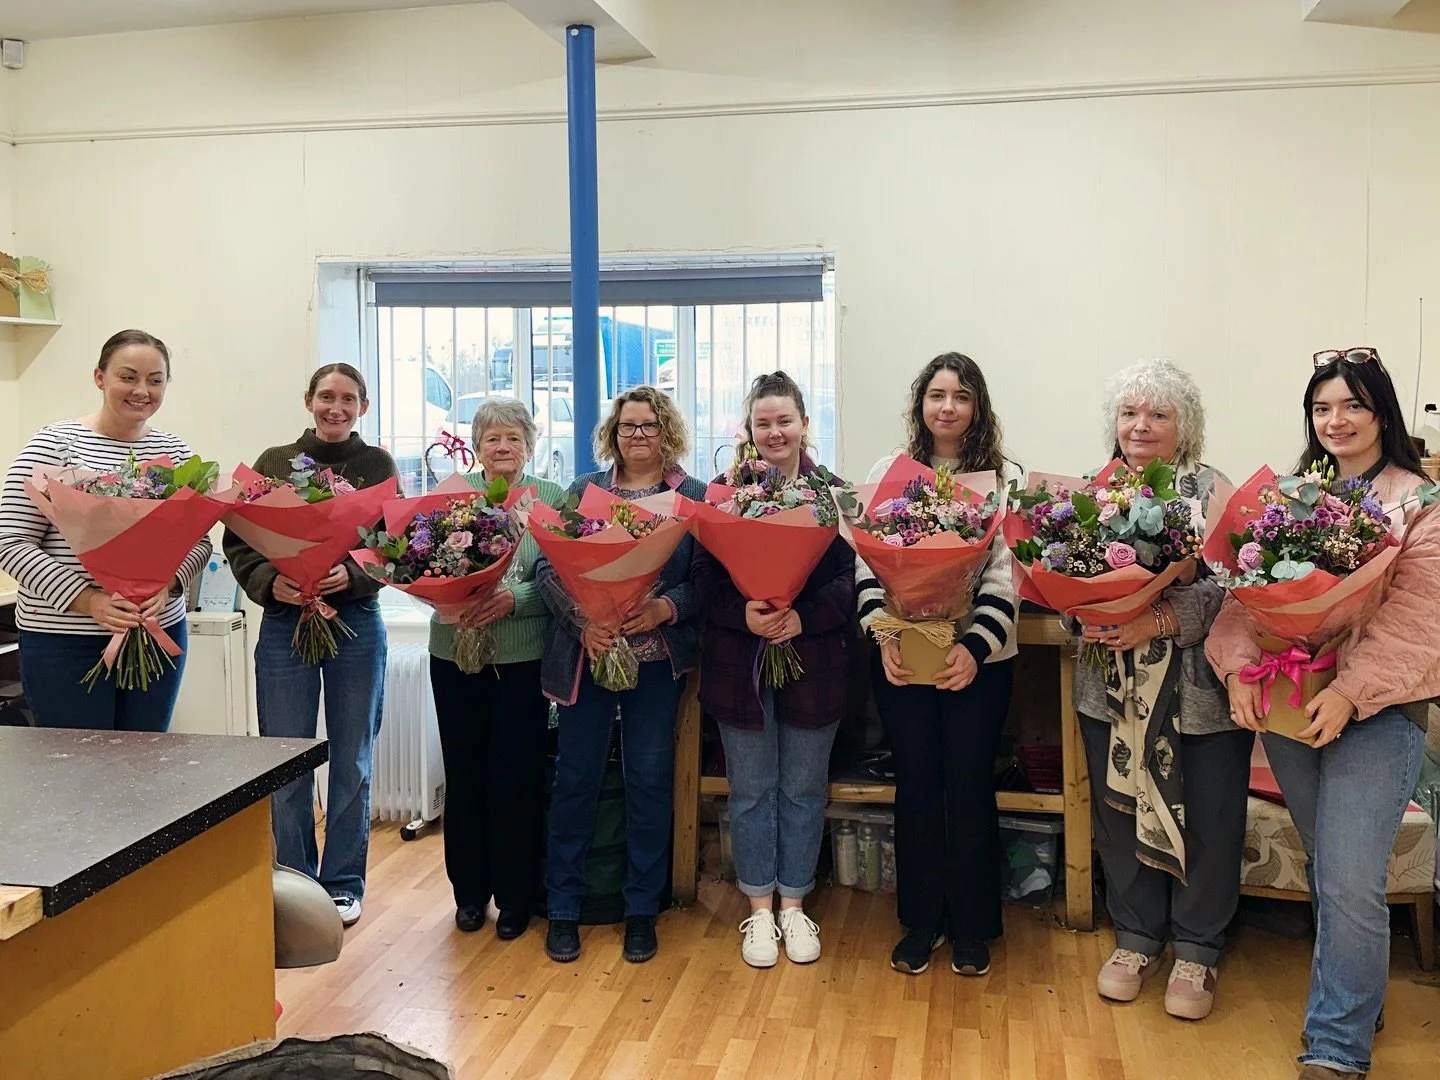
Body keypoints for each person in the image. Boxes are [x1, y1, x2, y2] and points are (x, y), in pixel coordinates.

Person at [1207, 347, 1436, 1079]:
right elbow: (1244, 591)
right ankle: (1358, 1000)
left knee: (1348, 878)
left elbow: (1415, 618)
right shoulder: (1295, 496)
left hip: (1378, 714)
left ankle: (1336, 1046)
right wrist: (1240, 668)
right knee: (1330, 867)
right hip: (1295, 709)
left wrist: (1350, 691)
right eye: (1322, 408)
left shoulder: (1419, 504)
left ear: (1382, 413)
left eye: (1352, 406)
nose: (1336, 421)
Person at [1070, 358, 1247, 1022]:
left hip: (1196, 689)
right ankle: (1137, 936)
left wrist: (1160, 617)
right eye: (1128, 413)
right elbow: (1057, 573)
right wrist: (1088, 612)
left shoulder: (1214, 492)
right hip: (1109, 686)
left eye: (1158, 414)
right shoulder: (1090, 491)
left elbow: (1240, 589)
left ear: (1185, 426)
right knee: (1119, 807)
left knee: (1208, 812)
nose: (1140, 425)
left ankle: (1198, 948)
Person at [857, 352, 1018, 979]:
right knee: (917, 784)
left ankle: (974, 926)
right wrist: (883, 638)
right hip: (901, 658)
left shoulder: (1001, 480)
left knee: (970, 785)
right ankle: (921, 922)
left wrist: (973, 648)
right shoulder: (888, 473)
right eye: (936, 395)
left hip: (977, 663)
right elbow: (865, 564)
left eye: (960, 396)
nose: (947, 407)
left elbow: (1005, 574)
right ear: (920, 404)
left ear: (977, 408)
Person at [536, 386, 706, 966]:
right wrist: (584, 619)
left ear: (668, 432)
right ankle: (563, 907)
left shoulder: (692, 497)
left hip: (655, 661)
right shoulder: (585, 491)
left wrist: (664, 608)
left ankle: (641, 909)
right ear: (614, 431)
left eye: (650, 426)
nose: (639, 435)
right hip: (589, 655)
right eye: (629, 425)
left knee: (650, 780)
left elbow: (705, 579)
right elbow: (547, 567)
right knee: (576, 778)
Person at [223, 362, 397, 928]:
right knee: (285, 760)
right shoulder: (275, 464)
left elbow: (393, 544)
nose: (336, 408)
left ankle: (344, 883)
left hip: (356, 625)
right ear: (308, 400)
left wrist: (353, 574)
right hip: (284, 622)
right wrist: (268, 581)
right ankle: (294, 882)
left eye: (348, 399)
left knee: (353, 759)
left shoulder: (378, 466)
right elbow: (240, 537)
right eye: (326, 397)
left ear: (363, 407)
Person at [691, 371, 854, 968]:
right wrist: (747, 614)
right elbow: (703, 580)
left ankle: (794, 904)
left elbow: (852, 581)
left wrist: (802, 619)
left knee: (805, 789)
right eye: (764, 422)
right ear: (749, 429)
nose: (775, 431)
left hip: (814, 661)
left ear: (805, 424)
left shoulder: (833, 494)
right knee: (752, 790)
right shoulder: (724, 493)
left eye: (785, 420)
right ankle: (759, 911)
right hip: (742, 662)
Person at [0, 329, 211, 731]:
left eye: (155, 379)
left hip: (156, 632)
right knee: (81, 776)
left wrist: (169, 585)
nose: (142, 390)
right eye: (127, 376)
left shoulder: (177, 454)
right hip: (66, 642)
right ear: (100, 377)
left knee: (145, 764)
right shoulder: (55, 445)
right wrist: (90, 601)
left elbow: (199, 541)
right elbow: (9, 540)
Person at [428, 397, 565, 940]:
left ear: (530, 445)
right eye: (492, 438)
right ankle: (468, 894)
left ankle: (514, 897)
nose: (503, 447)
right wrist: (445, 601)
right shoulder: (449, 498)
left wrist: (517, 599)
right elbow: (415, 563)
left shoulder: (551, 498)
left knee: (517, 777)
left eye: (513, 438)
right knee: (463, 776)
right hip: (453, 655)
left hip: (521, 659)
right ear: (477, 445)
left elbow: (562, 576)